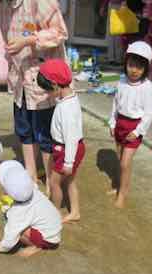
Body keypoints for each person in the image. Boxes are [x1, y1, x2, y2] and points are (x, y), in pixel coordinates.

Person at [0, 0, 68, 194]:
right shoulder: (4, 6)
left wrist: (27, 41)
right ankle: (31, 174)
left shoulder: (40, 2)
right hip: (20, 79)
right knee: (24, 128)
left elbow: (60, 32)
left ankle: (51, 180)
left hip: (42, 79)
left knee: (45, 133)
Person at [37, 59, 85, 224]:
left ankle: (54, 212)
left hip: (67, 149)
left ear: (55, 85)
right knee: (70, 181)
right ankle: (75, 212)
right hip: (70, 148)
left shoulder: (66, 108)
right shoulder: (69, 98)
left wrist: (69, 162)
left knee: (54, 182)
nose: (47, 94)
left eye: (48, 90)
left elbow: (71, 137)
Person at [108, 41, 152, 209]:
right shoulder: (121, 81)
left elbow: (149, 113)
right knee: (120, 159)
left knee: (125, 163)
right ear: (126, 63)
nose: (134, 70)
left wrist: (138, 131)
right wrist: (112, 122)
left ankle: (123, 194)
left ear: (146, 68)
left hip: (134, 127)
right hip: (120, 123)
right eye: (131, 65)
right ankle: (120, 185)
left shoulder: (146, 87)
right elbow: (116, 103)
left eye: (139, 67)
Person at [0, 160, 61, 258]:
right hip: (54, 227)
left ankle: (36, 246)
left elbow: (10, 238)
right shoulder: (34, 191)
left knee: (19, 231)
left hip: (48, 239)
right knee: (17, 220)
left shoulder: (18, 213)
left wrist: (0, 247)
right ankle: (37, 241)